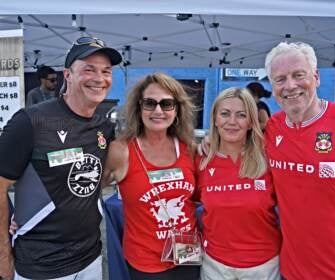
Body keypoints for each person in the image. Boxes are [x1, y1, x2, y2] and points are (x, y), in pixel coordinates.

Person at [0, 36, 122, 280]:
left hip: (91, 259)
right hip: (40, 266)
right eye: (89, 69)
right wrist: (3, 254)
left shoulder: (103, 126)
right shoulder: (30, 121)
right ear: (68, 75)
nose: (99, 78)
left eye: (106, 71)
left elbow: (101, 176)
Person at [264, 41, 335, 279]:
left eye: (299, 75)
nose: (290, 85)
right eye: (280, 79)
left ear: (316, 77)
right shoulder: (272, 129)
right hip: (292, 272)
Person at [103, 73, 200, 280]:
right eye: (150, 103)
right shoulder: (121, 151)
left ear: (177, 110)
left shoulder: (189, 149)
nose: (158, 111)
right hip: (146, 262)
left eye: (166, 104)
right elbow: (86, 192)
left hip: (187, 255)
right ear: (139, 108)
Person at [195, 87, 281, 280]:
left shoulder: (268, 158)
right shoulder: (201, 160)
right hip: (215, 266)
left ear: (251, 122)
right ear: (215, 120)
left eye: (241, 115)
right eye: (225, 114)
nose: (232, 122)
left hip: (264, 267)